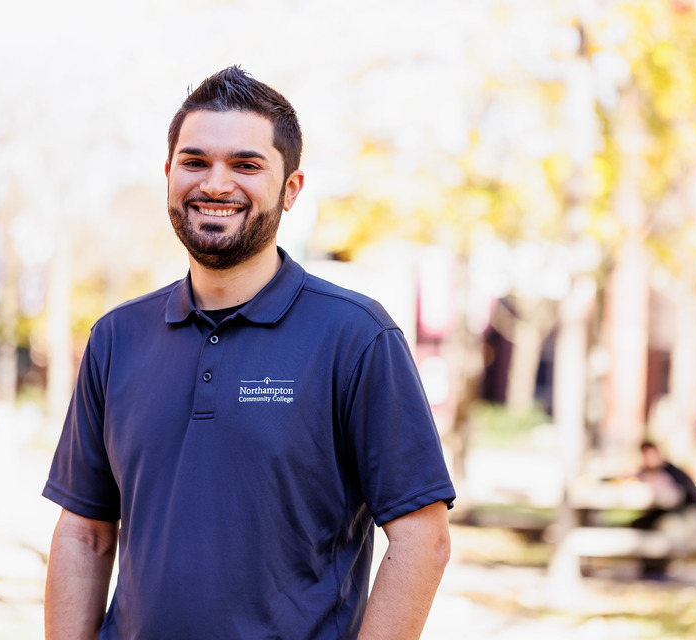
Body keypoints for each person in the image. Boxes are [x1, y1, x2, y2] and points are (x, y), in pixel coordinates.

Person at [42, 66, 456, 639]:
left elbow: (422, 540)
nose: (215, 183)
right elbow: (84, 534)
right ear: (168, 174)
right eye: (194, 162)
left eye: (245, 164)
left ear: (291, 189)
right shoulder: (116, 338)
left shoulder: (357, 338)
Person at [631, 441, 696, 578]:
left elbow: (675, 497)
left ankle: (659, 569)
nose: (647, 459)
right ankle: (649, 566)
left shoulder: (670, 472)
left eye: (650, 454)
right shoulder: (644, 474)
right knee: (641, 524)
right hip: (674, 512)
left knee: (667, 527)